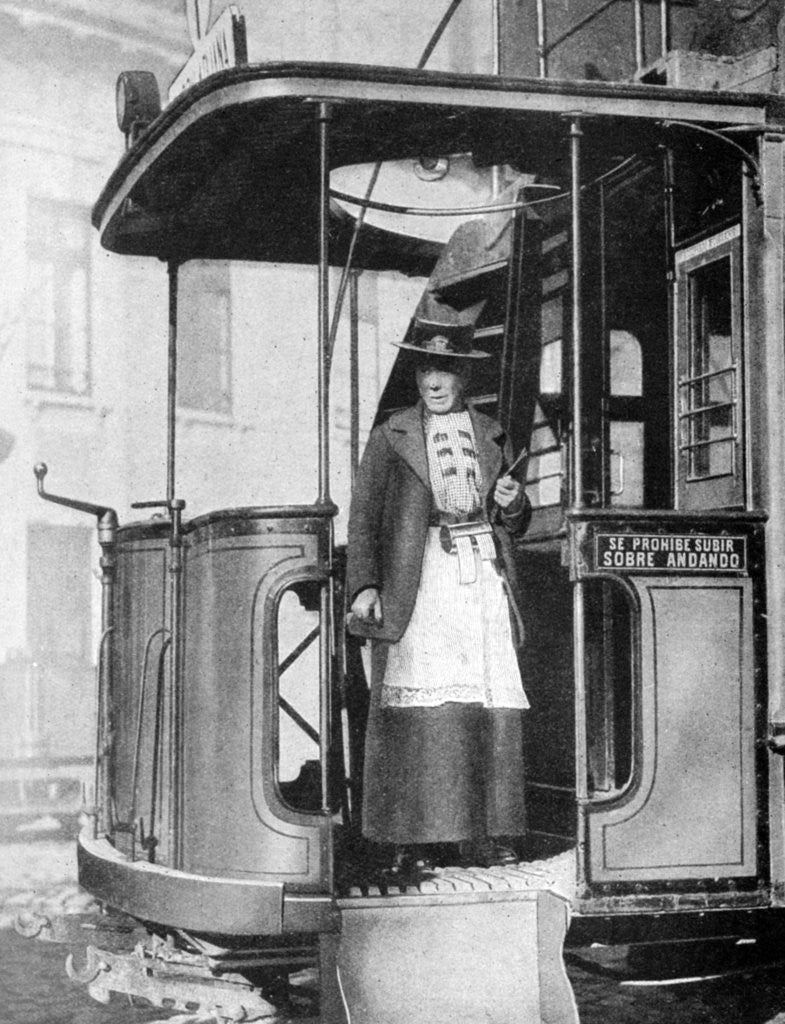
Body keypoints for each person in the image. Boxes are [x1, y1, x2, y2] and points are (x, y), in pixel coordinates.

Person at [346, 318, 530, 882]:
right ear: (416, 375)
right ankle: (412, 838)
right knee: (420, 712)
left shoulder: (493, 433)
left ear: (463, 375)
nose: (434, 380)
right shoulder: (391, 435)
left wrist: (513, 501)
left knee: (486, 708)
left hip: (480, 576)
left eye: (445, 369)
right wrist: (365, 585)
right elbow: (364, 518)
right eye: (426, 369)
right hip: (418, 580)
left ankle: (485, 835)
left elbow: (514, 521)